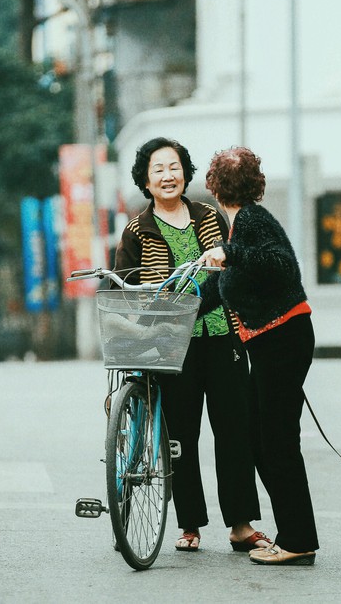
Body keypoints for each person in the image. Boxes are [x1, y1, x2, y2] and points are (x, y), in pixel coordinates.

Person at [113, 137, 270, 553]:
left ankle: (240, 524)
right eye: (158, 170)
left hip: (222, 334)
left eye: (174, 166)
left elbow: (232, 265)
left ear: (186, 172)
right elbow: (125, 287)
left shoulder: (210, 216)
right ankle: (189, 525)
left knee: (235, 431)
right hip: (169, 345)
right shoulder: (136, 229)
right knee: (180, 436)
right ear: (145, 181)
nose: (168, 175)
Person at [197, 146, 319, 566]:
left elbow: (281, 264)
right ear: (257, 182)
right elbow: (221, 288)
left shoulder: (250, 221)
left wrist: (230, 255)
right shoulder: (237, 228)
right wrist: (175, 305)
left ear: (213, 186)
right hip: (274, 342)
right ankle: (294, 533)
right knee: (260, 437)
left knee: (277, 441)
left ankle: (298, 539)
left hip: (283, 339)